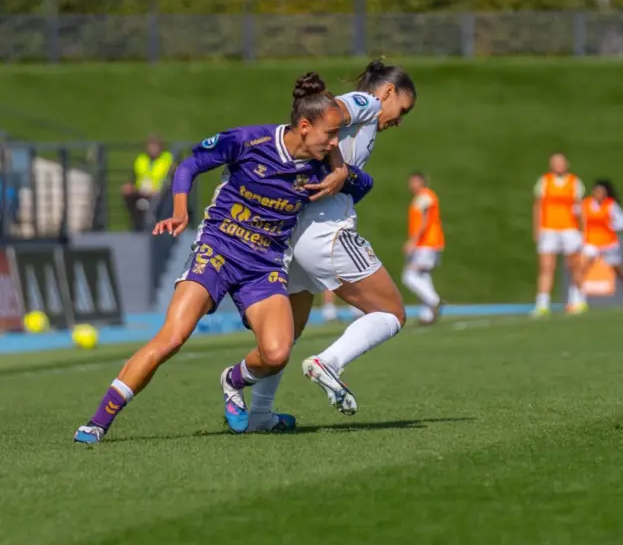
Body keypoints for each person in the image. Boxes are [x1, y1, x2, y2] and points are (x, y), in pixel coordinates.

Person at [73, 72, 374, 444]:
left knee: (277, 353)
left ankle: (232, 380)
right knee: (172, 338)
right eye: (330, 134)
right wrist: (180, 211)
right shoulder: (249, 141)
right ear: (304, 126)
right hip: (218, 250)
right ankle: (97, 422)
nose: (335, 142)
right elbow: (189, 165)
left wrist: (341, 174)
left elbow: (365, 184)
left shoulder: (323, 165)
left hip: (264, 265)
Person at [246, 60, 416, 431]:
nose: (400, 120)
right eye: (403, 109)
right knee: (392, 312)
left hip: (294, 232)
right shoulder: (367, 103)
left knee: (289, 331)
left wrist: (340, 168)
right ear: (388, 92)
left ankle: (258, 413)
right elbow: (331, 110)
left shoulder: (361, 123)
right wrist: (340, 168)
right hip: (326, 232)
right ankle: (329, 362)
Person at [532, 152, 586, 317]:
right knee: (546, 266)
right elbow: (538, 207)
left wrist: (584, 230)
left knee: (574, 265)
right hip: (549, 229)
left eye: (561, 162)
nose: (558, 165)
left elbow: (581, 208)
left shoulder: (574, 182)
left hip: (570, 228)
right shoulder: (544, 182)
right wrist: (537, 229)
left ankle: (578, 299)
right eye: (555, 162)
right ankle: (542, 303)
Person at [581, 179, 623, 302]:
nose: (598, 195)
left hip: (608, 243)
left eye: (601, 192)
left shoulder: (611, 205)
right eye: (596, 191)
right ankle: (577, 297)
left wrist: (612, 225)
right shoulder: (586, 204)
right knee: (581, 267)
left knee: (617, 267)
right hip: (591, 241)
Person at [402, 171, 445, 325]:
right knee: (423, 277)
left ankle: (434, 301)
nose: (411, 185)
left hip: (426, 243)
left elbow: (424, 221)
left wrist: (412, 241)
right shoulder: (421, 197)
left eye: (414, 181)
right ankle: (427, 315)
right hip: (429, 243)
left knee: (409, 276)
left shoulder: (425, 196)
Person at [122, 135, 174, 231]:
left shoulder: (167, 159)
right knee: (129, 194)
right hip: (141, 191)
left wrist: (158, 190)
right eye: (150, 145)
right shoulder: (141, 159)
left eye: (155, 145)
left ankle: (151, 226)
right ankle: (137, 226)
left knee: (154, 202)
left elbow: (172, 180)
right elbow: (133, 178)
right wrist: (130, 187)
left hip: (161, 193)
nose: (152, 148)